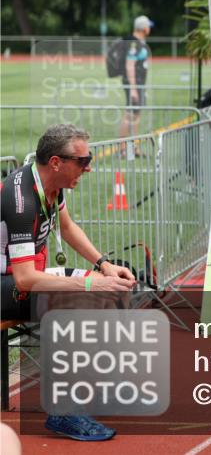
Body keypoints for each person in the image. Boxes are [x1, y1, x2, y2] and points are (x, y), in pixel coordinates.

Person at [1, 124, 136, 441]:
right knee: (81, 301)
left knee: (115, 289)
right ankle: (64, 412)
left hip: (22, 280)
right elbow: (25, 278)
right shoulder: (21, 198)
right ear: (57, 162)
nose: (88, 168)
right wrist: (91, 285)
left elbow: (68, 226)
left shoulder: (51, 183)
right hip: (9, 283)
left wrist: (105, 266)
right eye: (83, 161)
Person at [119, 15, 153, 145]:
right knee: (129, 115)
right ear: (144, 28)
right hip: (133, 83)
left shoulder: (139, 42)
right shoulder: (134, 43)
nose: (149, 28)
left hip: (138, 83)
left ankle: (134, 147)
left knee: (136, 115)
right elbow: (130, 65)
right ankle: (122, 148)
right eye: (148, 26)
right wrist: (133, 89)